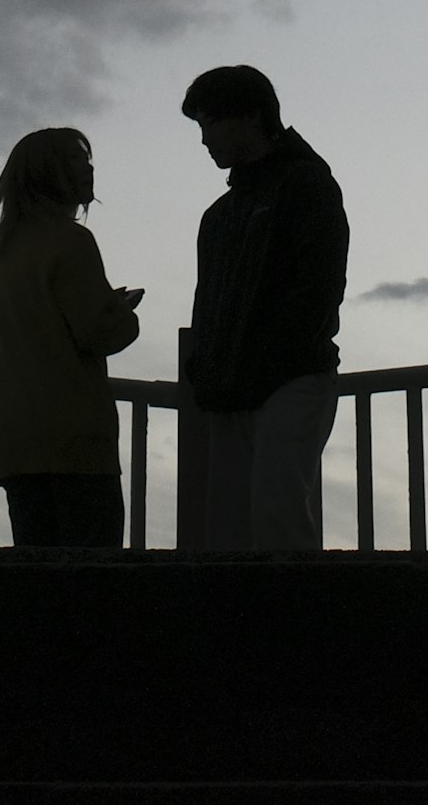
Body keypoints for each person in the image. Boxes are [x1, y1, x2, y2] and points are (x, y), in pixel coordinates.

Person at [178, 64, 346, 551]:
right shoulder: (222, 214)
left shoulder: (306, 186)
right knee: (235, 526)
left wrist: (249, 365)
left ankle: (289, 623)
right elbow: (209, 305)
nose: (205, 139)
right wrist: (208, 372)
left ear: (250, 117)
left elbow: (318, 288)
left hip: (289, 378)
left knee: (276, 515)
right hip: (237, 387)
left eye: (210, 123)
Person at [0, 125, 145, 548]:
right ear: (49, 174)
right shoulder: (72, 241)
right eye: (75, 161)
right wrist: (122, 315)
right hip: (73, 438)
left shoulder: (8, 251)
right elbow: (99, 332)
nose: (88, 170)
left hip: (15, 442)